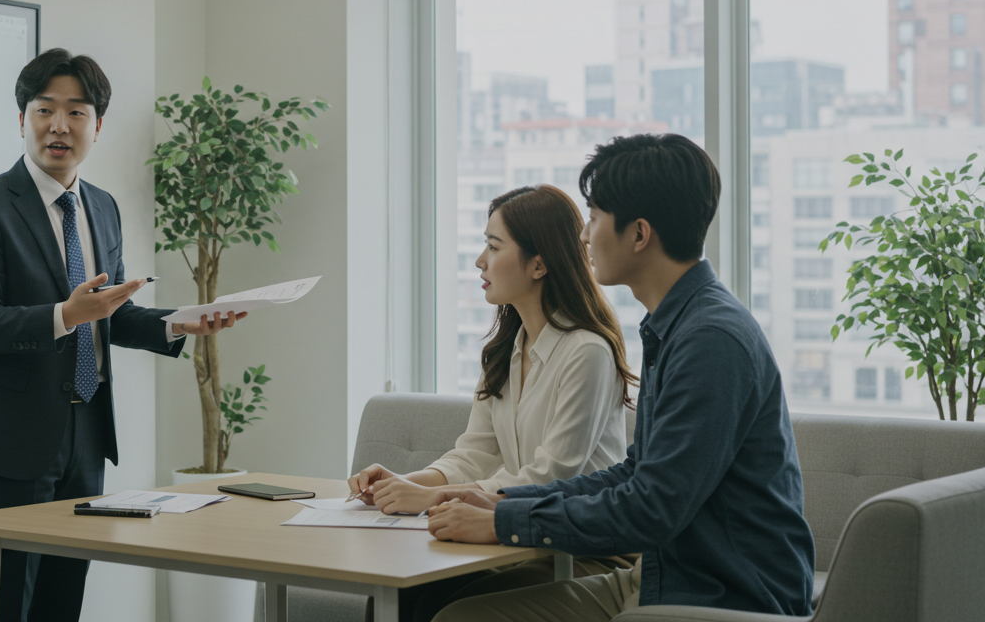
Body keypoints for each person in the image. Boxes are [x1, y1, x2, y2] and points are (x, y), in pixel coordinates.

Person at [427, 133, 815, 622]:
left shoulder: (711, 340)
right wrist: (500, 498)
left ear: (638, 234)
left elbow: (652, 508)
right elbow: (636, 472)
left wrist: (504, 521)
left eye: (593, 218)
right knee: (454, 611)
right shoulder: (675, 325)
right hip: (659, 576)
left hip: (721, 595)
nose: (584, 236)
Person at [0, 49, 242, 622]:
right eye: (45, 110)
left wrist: (184, 321)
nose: (59, 126)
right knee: (7, 602)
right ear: (22, 119)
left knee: (62, 601)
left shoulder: (101, 207)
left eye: (76, 113)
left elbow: (107, 313)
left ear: (97, 126)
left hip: (85, 435)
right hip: (10, 441)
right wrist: (65, 314)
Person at [347, 185, 638, 622]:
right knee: (403, 598)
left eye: (493, 246)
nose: (481, 261)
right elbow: (475, 453)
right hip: (513, 544)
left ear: (538, 263)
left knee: (436, 606)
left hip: (580, 554)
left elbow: (551, 475)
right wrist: (403, 484)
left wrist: (428, 497)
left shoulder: (586, 351)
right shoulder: (507, 349)